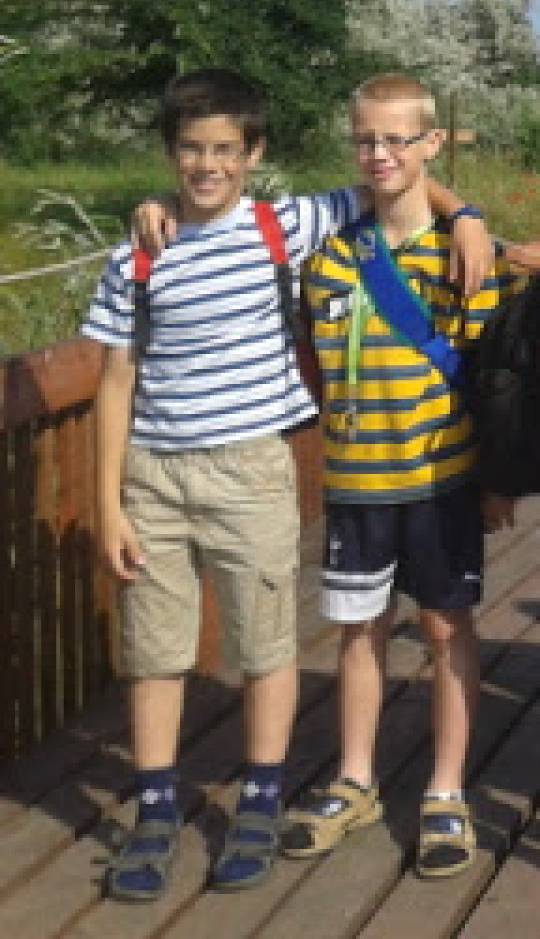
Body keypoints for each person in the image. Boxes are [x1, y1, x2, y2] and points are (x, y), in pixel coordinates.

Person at [84, 68, 489, 902]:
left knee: (267, 643)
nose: (207, 165)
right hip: (155, 475)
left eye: (224, 149)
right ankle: (157, 810)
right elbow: (114, 381)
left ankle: (264, 800)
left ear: (254, 153)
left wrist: (469, 215)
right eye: (191, 149)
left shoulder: (286, 223)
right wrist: (106, 504)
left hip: (261, 469)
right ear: (170, 153)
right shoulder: (138, 256)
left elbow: (400, 177)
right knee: (156, 652)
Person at [280, 74, 511, 882]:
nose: (379, 154)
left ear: (431, 144)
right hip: (355, 481)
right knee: (360, 631)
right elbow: (313, 366)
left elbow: (491, 376)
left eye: (396, 139)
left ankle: (446, 789)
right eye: (365, 139)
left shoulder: (465, 256)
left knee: (447, 629)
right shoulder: (325, 261)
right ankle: (354, 781)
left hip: (441, 478)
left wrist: (497, 480)